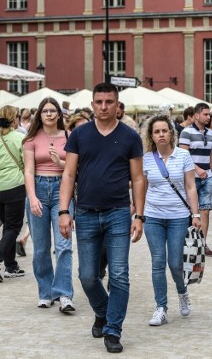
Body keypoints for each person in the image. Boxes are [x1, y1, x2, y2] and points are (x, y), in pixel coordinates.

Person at [58, 83, 146, 354]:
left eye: (109, 102)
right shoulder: (79, 135)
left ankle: (112, 329)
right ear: (93, 104)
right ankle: (103, 311)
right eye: (99, 102)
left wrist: (139, 215)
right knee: (87, 276)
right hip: (84, 213)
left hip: (118, 213)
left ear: (117, 105)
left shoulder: (130, 136)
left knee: (119, 275)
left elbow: (138, 178)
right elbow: (69, 174)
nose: (104, 107)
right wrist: (64, 211)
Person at [141, 114, 201, 326]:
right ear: (151, 136)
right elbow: (143, 187)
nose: (161, 135)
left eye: (164, 130)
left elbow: (190, 186)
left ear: (171, 133)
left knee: (175, 263)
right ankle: (161, 308)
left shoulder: (183, 155)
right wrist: (138, 214)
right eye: (156, 131)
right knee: (158, 262)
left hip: (178, 217)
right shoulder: (147, 158)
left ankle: (182, 292)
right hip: (153, 216)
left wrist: (196, 214)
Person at [22, 97, 75, 311]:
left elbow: (73, 168)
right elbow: (28, 170)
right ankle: (45, 292)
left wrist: (59, 162)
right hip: (39, 188)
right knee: (41, 248)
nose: (50, 114)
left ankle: (64, 294)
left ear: (59, 114)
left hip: (62, 190)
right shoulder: (31, 139)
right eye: (45, 111)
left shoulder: (69, 137)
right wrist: (33, 197)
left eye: (53, 111)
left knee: (64, 245)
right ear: (40, 115)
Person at [0, 105, 27, 282]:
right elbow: (26, 163)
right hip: (14, 185)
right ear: (15, 119)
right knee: (14, 227)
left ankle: (11, 266)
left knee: (8, 227)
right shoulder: (20, 138)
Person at [179, 102, 212, 257]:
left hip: (206, 176)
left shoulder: (210, 133)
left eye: (209, 114)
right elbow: (183, 156)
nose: (208, 117)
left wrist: (211, 173)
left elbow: (209, 155)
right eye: (205, 114)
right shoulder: (186, 132)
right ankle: (186, 243)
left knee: (205, 211)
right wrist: (197, 169)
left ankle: (202, 244)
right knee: (189, 212)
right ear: (196, 115)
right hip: (191, 178)